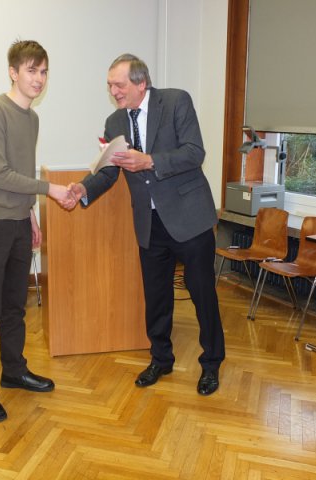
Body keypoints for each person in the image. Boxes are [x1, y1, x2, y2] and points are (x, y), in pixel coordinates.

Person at [68, 54, 225, 395]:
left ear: (141, 83)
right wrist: (83, 189)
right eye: (110, 85)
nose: (113, 92)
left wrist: (149, 161)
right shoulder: (114, 121)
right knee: (156, 297)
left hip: (189, 217)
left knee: (202, 294)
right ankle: (161, 359)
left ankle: (212, 363)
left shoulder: (176, 101)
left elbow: (194, 152)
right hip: (149, 222)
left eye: (119, 85)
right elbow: (108, 171)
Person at [0, 40, 73, 422]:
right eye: (31, 70)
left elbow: (21, 174)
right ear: (13, 72)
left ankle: (13, 371)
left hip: (18, 223)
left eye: (44, 71)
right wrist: (49, 190)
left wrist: (30, 216)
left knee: (15, 305)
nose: (39, 79)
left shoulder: (32, 118)